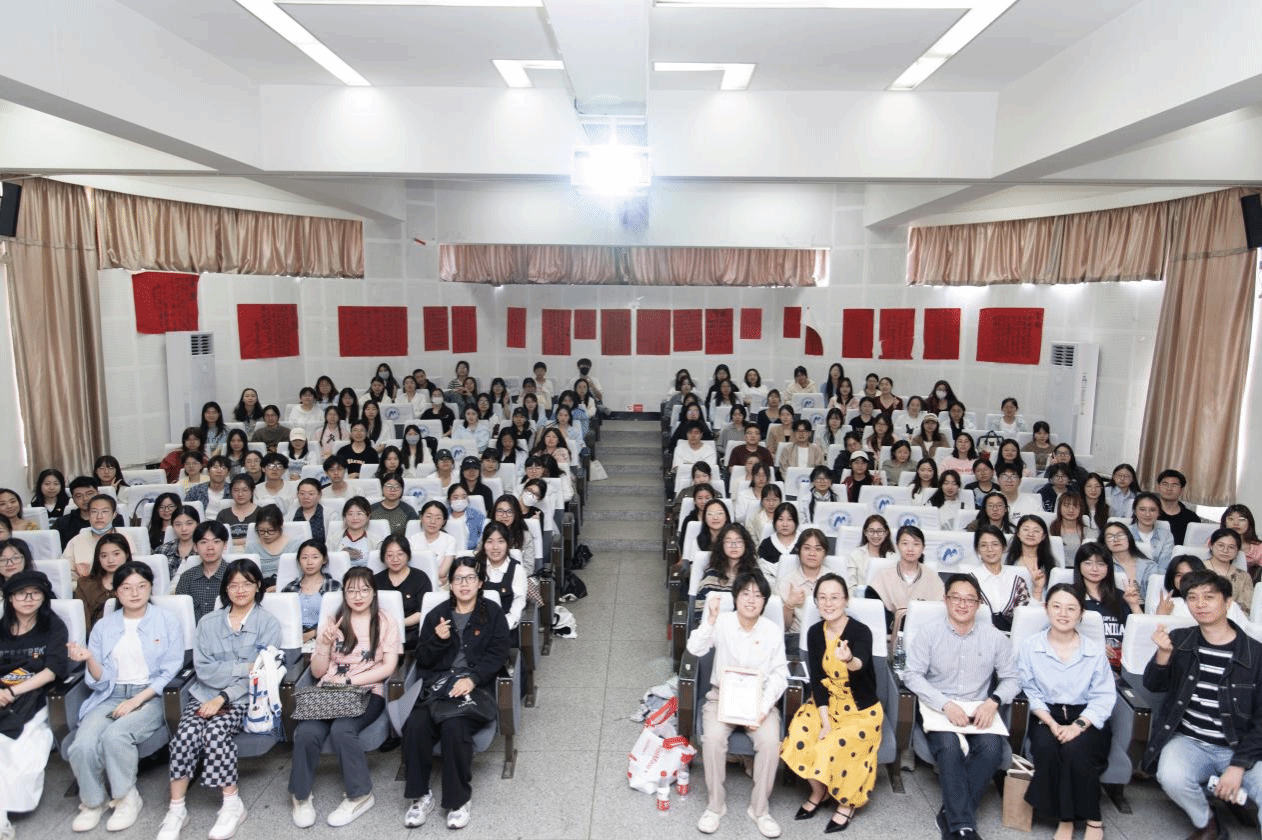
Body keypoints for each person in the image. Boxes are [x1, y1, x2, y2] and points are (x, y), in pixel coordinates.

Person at [156, 558, 280, 840]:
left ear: (258, 586)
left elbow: (260, 674)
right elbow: (204, 670)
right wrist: (242, 668)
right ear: (225, 589)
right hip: (204, 694)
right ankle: (176, 809)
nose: (240, 590)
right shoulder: (208, 623)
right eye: (233, 585)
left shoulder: (267, 624)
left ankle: (232, 803)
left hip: (243, 698)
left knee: (215, 732)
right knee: (185, 734)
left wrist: (224, 695)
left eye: (246, 584)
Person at [66, 561, 183, 833]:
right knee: (82, 744)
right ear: (116, 592)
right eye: (126, 588)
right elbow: (99, 680)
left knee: (115, 736)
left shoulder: (166, 621)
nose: (134, 593)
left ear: (151, 588)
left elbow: (171, 669)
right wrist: (90, 659)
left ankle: (126, 797)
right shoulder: (104, 626)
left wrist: (136, 701)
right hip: (111, 694)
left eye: (141, 586)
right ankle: (93, 802)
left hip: (150, 696)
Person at [1145, 569, 1262, 840]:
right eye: (1192, 598)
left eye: (1209, 597)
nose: (1200, 604)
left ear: (1228, 602)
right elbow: (1153, 684)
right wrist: (1163, 654)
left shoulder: (1256, 654)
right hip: (1191, 741)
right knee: (1171, 776)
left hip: (1242, 746)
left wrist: (1238, 765)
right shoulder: (1180, 639)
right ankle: (1208, 822)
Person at [394, 555, 509, 830]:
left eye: (470, 578)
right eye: (458, 578)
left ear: (480, 582)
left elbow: (498, 654)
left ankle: (458, 800)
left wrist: (473, 678)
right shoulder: (437, 614)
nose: (464, 584)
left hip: (474, 688)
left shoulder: (492, 612)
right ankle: (420, 796)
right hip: (438, 688)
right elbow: (422, 658)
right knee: (415, 725)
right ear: (451, 584)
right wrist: (437, 639)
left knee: (454, 727)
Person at [902, 574, 1018, 840]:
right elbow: (912, 675)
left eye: (970, 599)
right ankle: (963, 827)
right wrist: (944, 704)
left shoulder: (995, 638)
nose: (963, 604)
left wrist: (993, 701)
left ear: (979, 604)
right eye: (956, 597)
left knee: (992, 750)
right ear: (945, 600)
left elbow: (1012, 679)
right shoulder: (929, 633)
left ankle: (949, 815)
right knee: (949, 747)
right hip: (938, 706)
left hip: (979, 707)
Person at [289, 567, 402, 829]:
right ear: (344, 594)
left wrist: (349, 681)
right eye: (351, 590)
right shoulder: (333, 621)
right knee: (306, 732)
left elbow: (388, 667)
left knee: (342, 729)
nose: (358, 596)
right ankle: (300, 796)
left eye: (364, 590)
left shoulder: (384, 621)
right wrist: (323, 644)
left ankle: (360, 795)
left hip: (367, 691)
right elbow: (317, 672)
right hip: (329, 690)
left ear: (374, 592)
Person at [688, 570, 788, 839]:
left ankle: (760, 810)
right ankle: (715, 806)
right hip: (722, 697)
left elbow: (780, 675)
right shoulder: (722, 623)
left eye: (758, 595)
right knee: (712, 739)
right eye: (745, 593)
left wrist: (762, 709)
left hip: (759, 699)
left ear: (765, 601)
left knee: (770, 742)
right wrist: (709, 620)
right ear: (735, 597)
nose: (751, 600)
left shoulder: (772, 631)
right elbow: (694, 649)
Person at [781, 572, 882, 833]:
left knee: (833, 745)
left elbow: (861, 664)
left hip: (860, 709)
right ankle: (820, 791)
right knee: (800, 733)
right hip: (826, 703)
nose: (828, 603)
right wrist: (825, 722)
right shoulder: (815, 632)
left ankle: (847, 803)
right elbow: (817, 679)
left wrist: (848, 659)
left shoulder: (861, 632)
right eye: (822, 598)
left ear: (846, 600)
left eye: (835, 597)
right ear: (816, 602)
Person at [1016, 583, 1114, 840]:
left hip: (1086, 716)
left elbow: (1103, 697)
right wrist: (1051, 723)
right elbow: (1030, 691)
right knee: (1047, 749)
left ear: (1081, 613)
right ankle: (1068, 820)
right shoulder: (1030, 646)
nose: (1063, 613)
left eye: (1071, 608)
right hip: (1046, 714)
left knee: (1075, 750)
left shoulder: (1094, 650)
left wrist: (1077, 726)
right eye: (1057, 606)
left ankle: (1088, 820)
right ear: (1046, 609)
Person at [0, 570, 70, 840]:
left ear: (44, 597)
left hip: (33, 695)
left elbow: (52, 671)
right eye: (21, 593)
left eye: (35, 593)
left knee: (9, 743)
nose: (28, 599)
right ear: (10, 598)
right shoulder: (1, 627)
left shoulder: (53, 626)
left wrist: (11, 691)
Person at [1073, 542, 1139, 671]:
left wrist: (1134, 605)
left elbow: (1140, 635)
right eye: (1088, 563)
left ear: (1109, 568)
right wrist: (1092, 646)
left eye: (1101, 564)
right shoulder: (1069, 595)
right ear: (1079, 566)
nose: (1094, 569)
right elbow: (1056, 633)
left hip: (1121, 666)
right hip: (1083, 664)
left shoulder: (1123, 596)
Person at [868, 525, 945, 631]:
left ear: (923, 548)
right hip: (890, 632)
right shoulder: (884, 574)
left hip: (924, 631)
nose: (910, 549)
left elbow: (939, 610)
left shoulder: (932, 576)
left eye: (916, 544)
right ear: (897, 546)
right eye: (905, 543)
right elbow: (874, 611)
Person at [970, 524, 1030, 633]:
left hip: (1012, 637)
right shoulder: (969, 581)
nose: (990, 549)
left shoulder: (1017, 581)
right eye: (983, 545)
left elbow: (1024, 617)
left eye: (995, 544)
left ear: (1004, 547)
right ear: (977, 550)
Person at [62, 494, 135, 581]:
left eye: (104, 511)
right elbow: (66, 575)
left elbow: (133, 568)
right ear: (88, 515)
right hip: (86, 588)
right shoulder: (76, 541)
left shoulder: (125, 538)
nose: (99, 517)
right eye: (94, 512)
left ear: (114, 514)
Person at [283, 540, 342, 644]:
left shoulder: (334, 587)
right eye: (304, 557)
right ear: (299, 561)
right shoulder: (290, 588)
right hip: (292, 639)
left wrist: (313, 633)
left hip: (325, 639)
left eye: (315, 557)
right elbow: (283, 617)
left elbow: (339, 617)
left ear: (324, 560)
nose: (309, 562)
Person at [778, 528, 829, 643]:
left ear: (825, 553)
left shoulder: (834, 581)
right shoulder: (786, 582)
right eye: (807, 548)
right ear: (798, 550)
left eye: (818, 549)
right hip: (797, 638)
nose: (812, 554)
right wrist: (789, 605)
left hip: (830, 637)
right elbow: (783, 627)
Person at [75, 533, 131, 633]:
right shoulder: (85, 584)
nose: (110, 560)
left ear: (126, 554)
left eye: (116, 554)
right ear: (98, 558)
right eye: (104, 556)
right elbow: (83, 623)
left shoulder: (137, 582)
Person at [177, 521, 231, 622]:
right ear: (195, 547)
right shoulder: (187, 577)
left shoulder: (234, 575)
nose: (210, 547)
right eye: (204, 542)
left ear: (225, 545)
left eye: (216, 541)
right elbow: (180, 613)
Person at [1204, 527, 1254, 608]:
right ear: (1211, 545)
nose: (1225, 550)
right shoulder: (1197, 568)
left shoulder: (1244, 576)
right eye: (1221, 545)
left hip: (1233, 615)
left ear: (1237, 551)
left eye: (1231, 547)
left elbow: (1247, 607)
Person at [1154, 469, 1205, 546]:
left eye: (1174, 485)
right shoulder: (1147, 513)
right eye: (1165, 484)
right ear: (1158, 487)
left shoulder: (1192, 518)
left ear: (1181, 490)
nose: (1169, 488)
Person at [1130, 491, 1175, 572]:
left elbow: (1163, 567)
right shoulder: (1124, 533)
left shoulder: (1166, 536)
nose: (1147, 514)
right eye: (1142, 510)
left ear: (1159, 512)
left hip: (1156, 577)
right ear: (1135, 511)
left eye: (1152, 510)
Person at [1222, 504, 1262, 580]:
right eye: (1231, 519)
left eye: (1241, 519)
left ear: (1249, 523)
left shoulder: (1259, 548)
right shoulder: (1215, 541)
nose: (1236, 523)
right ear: (1224, 522)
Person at [337, 496, 377, 567]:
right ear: (344, 516)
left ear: (368, 516)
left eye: (359, 514)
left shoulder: (376, 542)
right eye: (350, 514)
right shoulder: (333, 539)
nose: (355, 518)